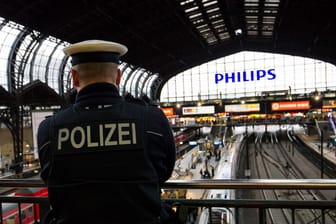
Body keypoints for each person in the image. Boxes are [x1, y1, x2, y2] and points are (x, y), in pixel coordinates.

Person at [37, 40, 176, 224]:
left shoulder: (49, 129)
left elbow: (49, 178)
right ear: (118, 76)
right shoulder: (152, 120)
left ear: (74, 77)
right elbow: (163, 172)